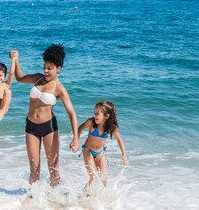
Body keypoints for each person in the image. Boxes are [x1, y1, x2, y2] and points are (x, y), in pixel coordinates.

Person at [11, 44, 79, 187]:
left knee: (53, 169)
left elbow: (71, 113)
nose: (46, 71)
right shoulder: (37, 78)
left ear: (58, 68)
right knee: (34, 169)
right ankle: (33, 200)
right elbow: (19, 78)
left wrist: (76, 138)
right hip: (30, 127)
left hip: (49, 129)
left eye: (50, 68)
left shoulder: (59, 88)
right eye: (45, 67)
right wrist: (16, 59)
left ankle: (55, 201)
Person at [78, 100, 128, 187]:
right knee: (93, 177)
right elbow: (79, 129)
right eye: (94, 113)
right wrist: (75, 141)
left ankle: (100, 199)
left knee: (104, 180)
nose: (95, 115)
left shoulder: (111, 127)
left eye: (97, 113)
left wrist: (124, 156)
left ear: (106, 116)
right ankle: (85, 197)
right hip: (88, 151)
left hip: (100, 153)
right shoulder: (91, 123)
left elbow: (120, 140)